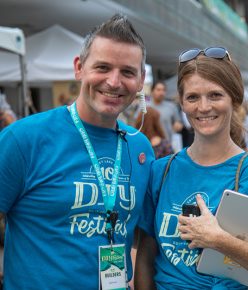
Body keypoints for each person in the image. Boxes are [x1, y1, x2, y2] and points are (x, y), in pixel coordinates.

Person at [0, 14, 155, 289]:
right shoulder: (23, 139)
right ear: (79, 67)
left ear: (141, 79)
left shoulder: (140, 148)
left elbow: (142, 236)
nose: (114, 82)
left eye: (128, 72)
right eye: (103, 67)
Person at [135, 47, 248, 289]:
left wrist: (220, 240)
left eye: (215, 95)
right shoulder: (161, 171)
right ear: (182, 103)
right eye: (193, 97)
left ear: (234, 99)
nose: (203, 107)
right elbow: (146, 255)